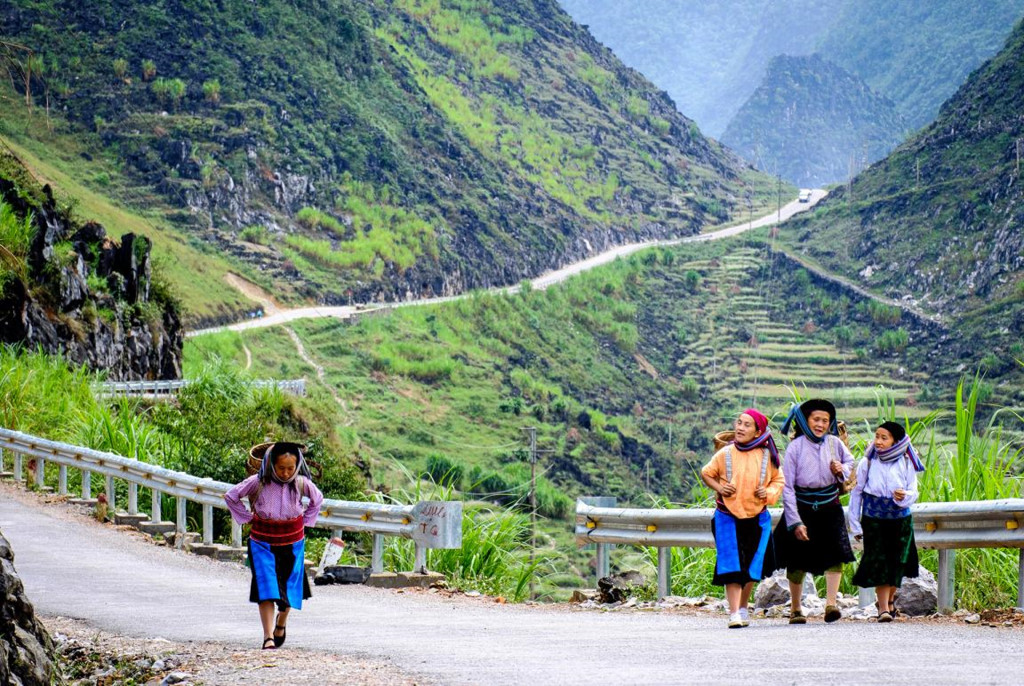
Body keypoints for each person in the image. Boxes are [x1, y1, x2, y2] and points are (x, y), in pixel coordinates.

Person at [225, 441, 324, 650]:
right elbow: (232, 496)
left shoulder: (301, 483)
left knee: (289, 590)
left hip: (293, 542)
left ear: (297, 465)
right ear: (271, 465)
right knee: (266, 587)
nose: (286, 473)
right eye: (281, 468)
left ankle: (281, 622)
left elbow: (318, 500)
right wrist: (246, 517)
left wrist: (305, 521)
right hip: (262, 542)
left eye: (291, 468)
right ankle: (268, 637)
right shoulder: (258, 482)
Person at [701, 408, 785, 628]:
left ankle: (742, 608)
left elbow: (778, 481)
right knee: (732, 566)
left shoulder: (768, 456)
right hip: (727, 517)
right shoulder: (725, 453)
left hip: (757, 519)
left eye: (747, 425)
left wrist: (767, 493)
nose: (740, 428)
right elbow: (706, 473)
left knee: (751, 568)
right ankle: (733, 613)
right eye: (739, 423)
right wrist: (720, 487)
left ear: (758, 432)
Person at [775, 399, 855, 624]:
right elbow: (788, 487)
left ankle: (831, 605)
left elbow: (849, 462)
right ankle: (796, 608)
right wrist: (795, 522)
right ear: (806, 421)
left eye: (825, 420)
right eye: (816, 419)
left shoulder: (834, 443)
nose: (820, 424)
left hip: (830, 506)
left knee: (835, 554)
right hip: (803, 507)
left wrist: (842, 469)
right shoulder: (796, 447)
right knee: (797, 559)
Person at [848, 421, 925, 622]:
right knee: (880, 563)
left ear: (896, 442)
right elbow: (857, 493)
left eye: (884, 438)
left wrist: (904, 496)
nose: (878, 442)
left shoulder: (906, 461)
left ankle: (889, 601)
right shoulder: (868, 462)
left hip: (900, 520)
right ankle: (883, 608)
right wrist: (855, 523)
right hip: (874, 519)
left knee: (897, 563)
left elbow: (913, 491)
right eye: (877, 437)